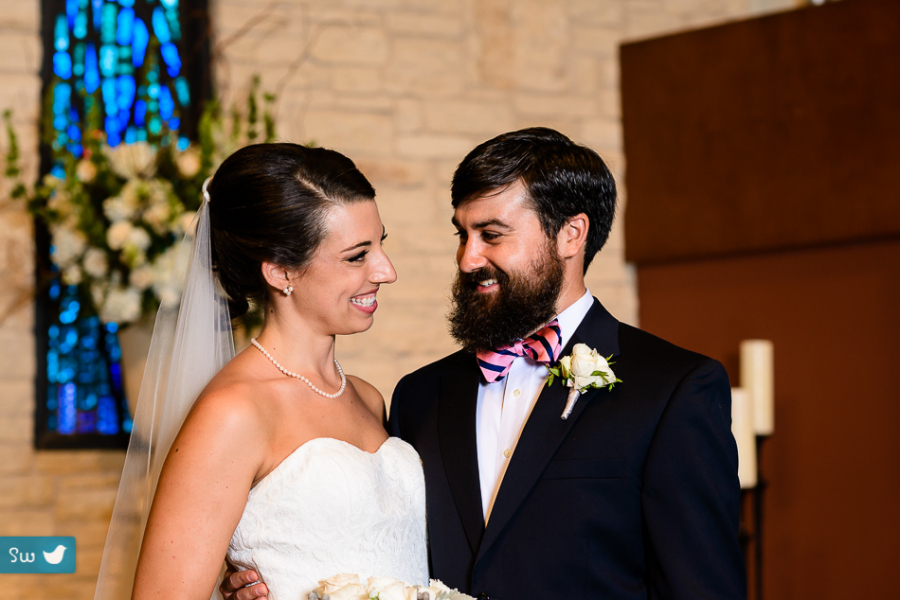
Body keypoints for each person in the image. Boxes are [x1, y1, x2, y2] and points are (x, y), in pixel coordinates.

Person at [221, 128, 746, 600]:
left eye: (491, 235)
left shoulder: (672, 390)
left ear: (571, 234)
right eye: (462, 234)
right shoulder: (421, 395)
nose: (468, 258)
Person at [94, 143, 429, 600]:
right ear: (280, 271)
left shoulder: (369, 399)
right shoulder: (233, 412)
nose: (385, 271)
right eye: (357, 255)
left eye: (380, 245)